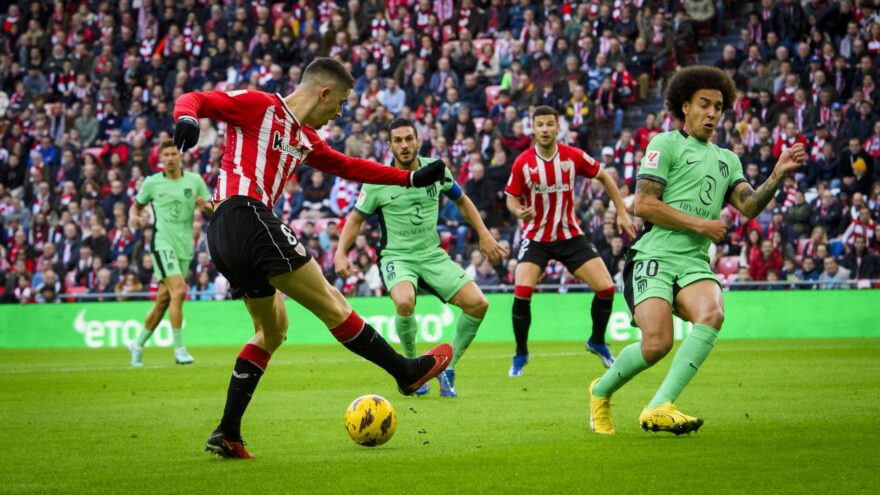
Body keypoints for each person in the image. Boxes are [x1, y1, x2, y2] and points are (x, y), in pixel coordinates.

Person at [172, 58, 451, 459]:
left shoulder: (304, 139)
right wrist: (188, 119)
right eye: (338, 104)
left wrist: (409, 178)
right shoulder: (258, 105)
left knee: (273, 330)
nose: (338, 112)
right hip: (244, 213)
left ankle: (228, 431)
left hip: (226, 236)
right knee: (332, 302)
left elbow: (349, 166)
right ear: (323, 93)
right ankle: (405, 371)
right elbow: (194, 98)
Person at [588, 66, 805, 435]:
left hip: (693, 260)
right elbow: (643, 204)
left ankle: (659, 406)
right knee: (656, 344)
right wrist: (701, 224)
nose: (712, 113)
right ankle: (600, 391)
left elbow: (749, 206)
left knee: (713, 312)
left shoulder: (727, 159)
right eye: (703, 105)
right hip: (654, 254)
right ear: (684, 106)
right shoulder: (665, 144)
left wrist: (776, 175)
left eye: (718, 107)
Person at [335, 119, 508, 398]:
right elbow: (356, 219)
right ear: (389, 145)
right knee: (404, 301)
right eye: (398, 140)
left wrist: (484, 235)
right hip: (397, 256)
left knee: (478, 304)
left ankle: (448, 369)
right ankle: (414, 369)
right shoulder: (378, 178)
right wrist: (340, 252)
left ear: (418, 141)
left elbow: (462, 200)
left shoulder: (436, 170)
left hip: (432, 255)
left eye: (408, 139)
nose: (404, 145)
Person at [504, 106, 637, 376]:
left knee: (607, 289)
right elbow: (511, 197)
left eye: (549, 124)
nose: (544, 129)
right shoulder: (523, 163)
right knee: (522, 293)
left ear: (557, 127)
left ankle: (597, 341)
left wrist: (622, 211)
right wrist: (519, 210)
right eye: (539, 124)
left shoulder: (572, 156)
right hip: (536, 237)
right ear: (532, 127)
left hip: (569, 235)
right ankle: (520, 354)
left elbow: (605, 176)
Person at [127, 140, 212, 367]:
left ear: (180, 156)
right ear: (161, 159)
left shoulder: (194, 181)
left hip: (185, 245)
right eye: (167, 155)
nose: (171, 158)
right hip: (162, 242)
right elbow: (136, 205)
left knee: (164, 300)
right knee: (180, 290)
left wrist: (206, 205)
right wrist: (134, 218)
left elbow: (213, 208)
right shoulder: (152, 183)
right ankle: (179, 349)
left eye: (174, 153)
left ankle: (137, 344)